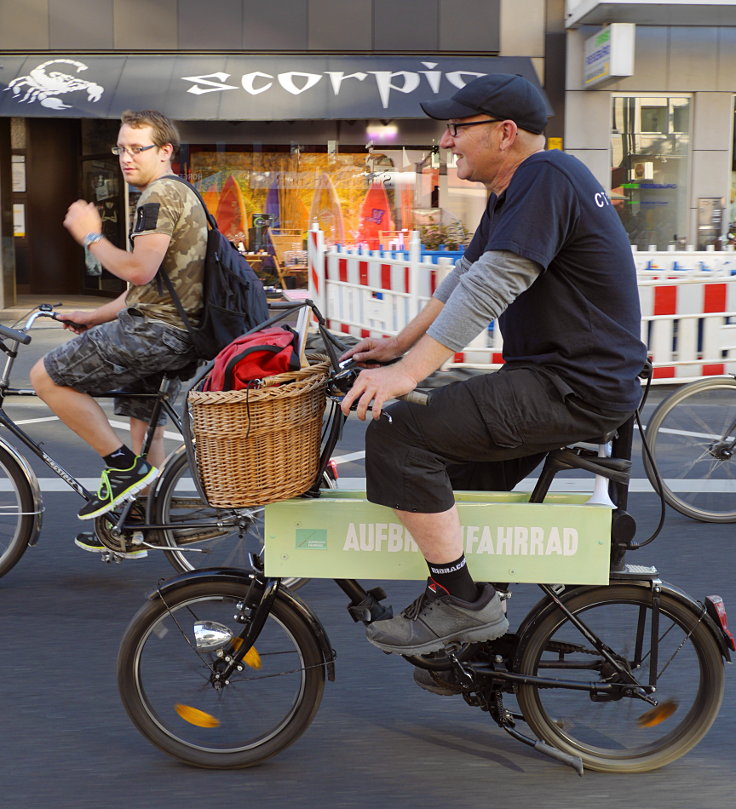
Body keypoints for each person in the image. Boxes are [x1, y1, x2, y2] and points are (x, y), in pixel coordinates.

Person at [340, 74, 647, 670]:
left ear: (505, 134)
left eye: (458, 128)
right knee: (452, 485)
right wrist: (397, 345)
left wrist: (407, 374)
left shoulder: (546, 176)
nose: (448, 140)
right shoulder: (516, 190)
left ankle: (459, 601)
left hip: (574, 385)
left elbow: (495, 283)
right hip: (562, 378)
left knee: (400, 433)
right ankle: (484, 634)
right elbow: (464, 274)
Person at [30, 109, 206, 551]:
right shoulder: (181, 191)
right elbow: (149, 289)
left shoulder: (158, 196)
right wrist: (93, 316)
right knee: (143, 424)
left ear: (164, 151)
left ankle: (124, 469)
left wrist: (91, 237)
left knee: (44, 376)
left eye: (137, 148)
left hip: (156, 334)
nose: (126, 157)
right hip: (171, 330)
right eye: (121, 148)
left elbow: (139, 271)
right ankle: (139, 522)